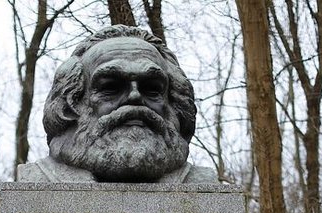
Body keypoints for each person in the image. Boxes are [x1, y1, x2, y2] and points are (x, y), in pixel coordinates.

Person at [17, 25, 215, 184]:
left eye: (152, 89)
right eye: (110, 87)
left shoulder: (202, 184)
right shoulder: (39, 179)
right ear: (71, 104)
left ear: (174, 103)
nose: (135, 96)